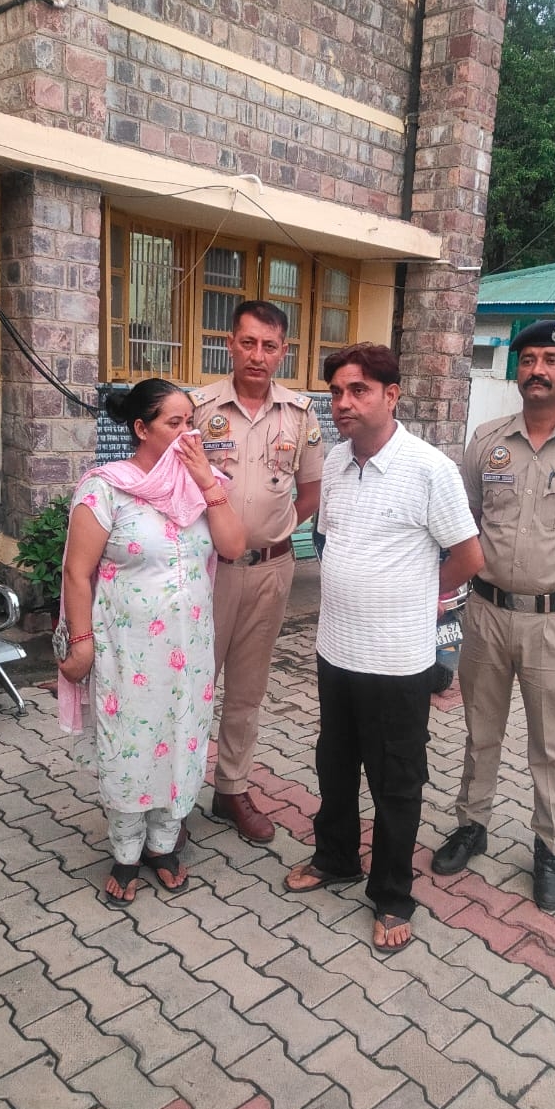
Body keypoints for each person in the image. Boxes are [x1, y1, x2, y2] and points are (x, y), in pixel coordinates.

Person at [285, 343, 483, 953]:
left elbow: (468, 556)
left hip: (397, 661)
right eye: (336, 392)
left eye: (359, 390)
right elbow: (327, 538)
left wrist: (419, 595)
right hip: (336, 649)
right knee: (335, 764)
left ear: (391, 395)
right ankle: (336, 857)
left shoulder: (429, 469)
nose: (343, 403)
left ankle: (393, 894)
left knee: (396, 781)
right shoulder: (336, 462)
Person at [432, 319, 555, 912]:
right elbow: (467, 521)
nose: (537, 369)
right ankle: (472, 825)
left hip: (554, 621)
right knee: (481, 731)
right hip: (486, 613)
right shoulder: (487, 440)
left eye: (551, 360)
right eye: (528, 360)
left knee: (550, 743)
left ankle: (549, 850)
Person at [57, 379, 245, 907]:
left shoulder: (202, 485)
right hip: (128, 648)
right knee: (131, 744)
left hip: (191, 649)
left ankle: (163, 845)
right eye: (174, 423)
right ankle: (125, 852)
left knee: (183, 737)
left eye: (192, 423)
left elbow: (234, 546)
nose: (189, 434)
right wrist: (81, 642)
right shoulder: (106, 488)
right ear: (141, 428)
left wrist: (206, 480)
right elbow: (76, 573)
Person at [190, 301, 323, 843]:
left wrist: (274, 530)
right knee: (192, 683)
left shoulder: (301, 415)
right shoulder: (198, 408)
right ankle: (176, 794)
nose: (257, 355)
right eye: (248, 343)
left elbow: (310, 491)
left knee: (247, 689)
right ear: (230, 344)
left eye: (269, 346)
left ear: (283, 352)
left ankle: (231, 788)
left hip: (271, 571)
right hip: (205, 572)